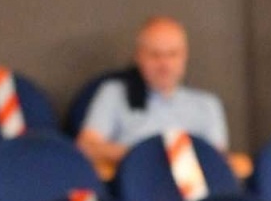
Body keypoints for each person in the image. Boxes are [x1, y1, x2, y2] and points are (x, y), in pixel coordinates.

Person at [77, 16, 229, 171]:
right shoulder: (114, 93)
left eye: (172, 54)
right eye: (155, 55)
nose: (164, 64)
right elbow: (87, 146)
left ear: (184, 57)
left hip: (191, 187)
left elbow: (218, 162)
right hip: (134, 183)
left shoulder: (207, 104)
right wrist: (146, 155)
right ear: (138, 56)